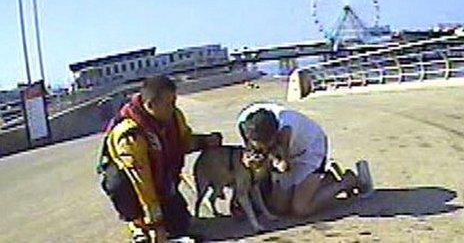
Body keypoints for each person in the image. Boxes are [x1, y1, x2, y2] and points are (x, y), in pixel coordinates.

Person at [99, 75, 222, 242]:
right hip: (135, 185)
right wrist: (155, 224)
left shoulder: (174, 117)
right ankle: (136, 223)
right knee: (117, 183)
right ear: (150, 105)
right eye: (169, 104)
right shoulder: (130, 135)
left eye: (174, 102)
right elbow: (142, 184)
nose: (173, 108)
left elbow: (184, 142)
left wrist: (205, 141)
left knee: (180, 225)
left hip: (161, 182)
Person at [236, 102, 373, 217]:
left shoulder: (286, 130)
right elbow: (251, 152)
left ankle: (346, 182)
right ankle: (325, 180)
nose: (263, 149)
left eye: (267, 145)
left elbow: (285, 166)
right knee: (279, 208)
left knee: (300, 209)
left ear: (275, 135)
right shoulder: (246, 125)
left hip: (309, 150)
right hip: (283, 151)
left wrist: (273, 163)